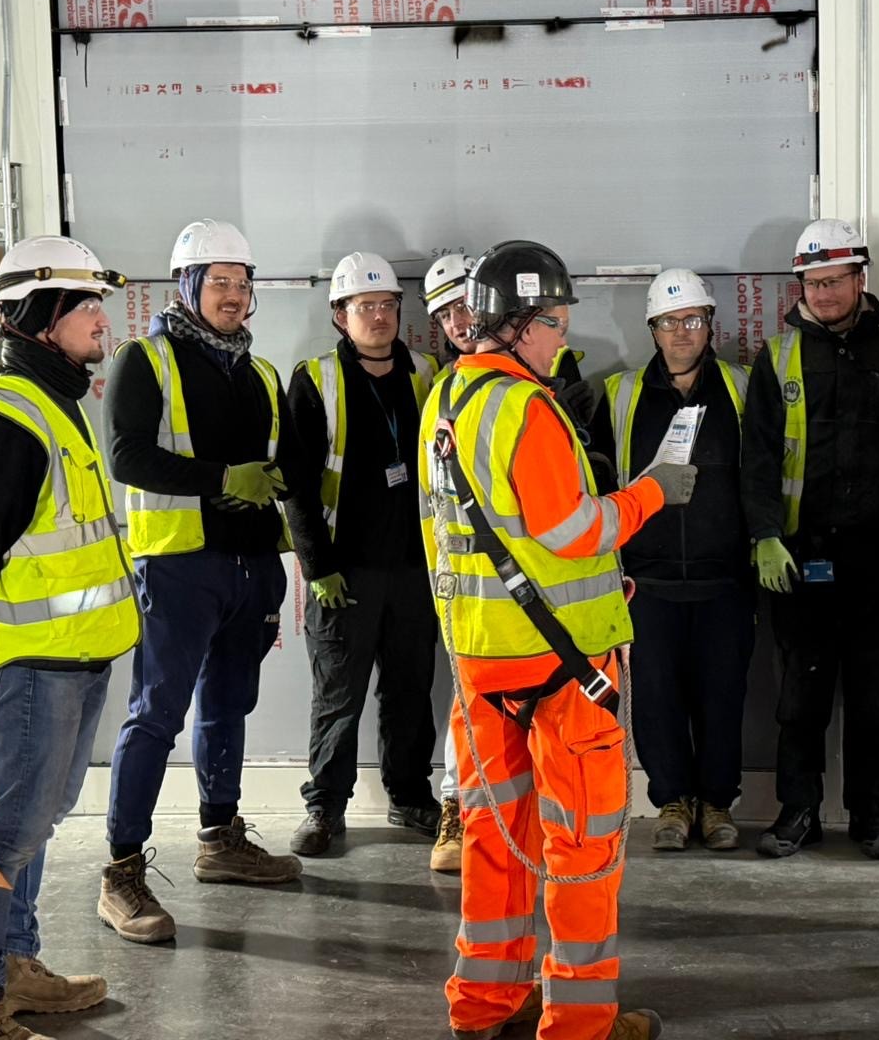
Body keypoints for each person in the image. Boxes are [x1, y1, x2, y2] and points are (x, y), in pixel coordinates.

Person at [419, 240, 694, 1040]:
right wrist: (650, 494)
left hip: (480, 665)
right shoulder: (527, 407)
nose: (561, 341)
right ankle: (578, 1022)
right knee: (583, 846)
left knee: (495, 838)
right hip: (566, 670)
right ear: (521, 325)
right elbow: (572, 528)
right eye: (556, 324)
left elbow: (461, 536)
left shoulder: (444, 402)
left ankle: (483, 1004)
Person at [0, 236, 138, 1040]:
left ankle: (13, 963)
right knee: (8, 832)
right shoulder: (8, 418)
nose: (101, 320)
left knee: (35, 825)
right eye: (85, 306)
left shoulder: (56, 403)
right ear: (42, 319)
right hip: (32, 667)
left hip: (76, 658)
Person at [98, 218, 306, 943]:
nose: (233, 295)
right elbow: (125, 456)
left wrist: (281, 562)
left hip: (249, 568)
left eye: (242, 284)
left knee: (227, 706)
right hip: (179, 566)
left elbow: (274, 477)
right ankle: (121, 870)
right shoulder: (143, 359)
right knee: (157, 713)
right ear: (187, 287)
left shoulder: (263, 374)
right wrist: (221, 478)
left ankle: (220, 840)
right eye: (218, 282)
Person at [741, 219, 879, 861]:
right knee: (801, 691)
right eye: (811, 283)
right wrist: (765, 535)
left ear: (860, 279)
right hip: (802, 553)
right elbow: (758, 457)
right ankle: (799, 811)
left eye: (834, 281)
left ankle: (872, 815)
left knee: (875, 691)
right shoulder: (778, 358)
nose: (821, 294)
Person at [285, 252, 443, 856]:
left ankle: (410, 796)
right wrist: (317, 566)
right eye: (364, 307)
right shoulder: (317, 378)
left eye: (387, 306)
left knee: (410, 688)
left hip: (413, 568)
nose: (378, 317)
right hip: (343, 572)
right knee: (338, 694)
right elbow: (295, 483)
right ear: (339, 315)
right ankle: (325, 807)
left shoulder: (426, 373)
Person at [593, 269, 754, 852]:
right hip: (647, 580)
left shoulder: (741, 386)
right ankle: (672, 803)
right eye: (669, 322)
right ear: (652, 330)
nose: (682, 332)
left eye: (692, 320)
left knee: (722, 695)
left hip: (725, 577)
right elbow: (601, 481)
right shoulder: (620, 393)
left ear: (711, 324)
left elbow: (759, 476)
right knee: (656, 698)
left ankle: (715, 804)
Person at [423, 251, 477, 873]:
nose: (459, 321)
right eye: (445, 314)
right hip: (467, 582)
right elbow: (429, 501)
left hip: (542, 581)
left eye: (465, 304)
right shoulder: (440, 391)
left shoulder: (547, 373)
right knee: (469, 699)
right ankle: (456, 808)